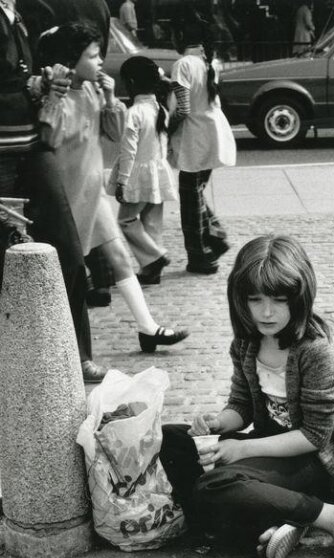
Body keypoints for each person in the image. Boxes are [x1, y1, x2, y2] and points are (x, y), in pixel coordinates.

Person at [159, 234, 334, 558]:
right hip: (269, 449)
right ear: (241, 300)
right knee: (168, 439)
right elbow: (242, 406)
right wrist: (218, 423)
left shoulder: (316, 353)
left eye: (279, 300)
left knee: (211, 487)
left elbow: (314, 436)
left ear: (299, 298)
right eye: (255, 300)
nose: (266, 312)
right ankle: (278, 520)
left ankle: (333, 515)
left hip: (314, 462)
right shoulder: (246, 343)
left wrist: (241, 449)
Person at [37, 22, 189, 353]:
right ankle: (66, 350)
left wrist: (108, 98)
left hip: (93, 195)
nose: (100, 62)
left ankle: (148, 328)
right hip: (69, 197)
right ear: (71, 60)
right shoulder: (59, 96)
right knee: (69, 277)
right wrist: (52, 96)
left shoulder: (92, 91)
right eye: (93, 56)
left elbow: (115, 133)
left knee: (120, 256)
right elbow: (49, 138)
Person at [0, 0, 107, 382]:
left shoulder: (20, 15)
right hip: (6, 152)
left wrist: (41, 84)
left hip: (31, 147)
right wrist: (38, 84)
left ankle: (78, 355)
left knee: (68, 253)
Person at [169, 7, 235, 275]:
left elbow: (183, 109)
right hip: (212, 132)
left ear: (181, 36)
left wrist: (165, 127)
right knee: (195, 192)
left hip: (194, 138)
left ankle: (201, 254)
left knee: (190, 197)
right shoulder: (209, 62)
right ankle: (214, 239)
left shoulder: (183, 65)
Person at [110, 56, 177, 285]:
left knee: (126, 220)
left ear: (130, 82)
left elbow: (128, 153)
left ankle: (155, 258)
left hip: (138, 176)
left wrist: (122, 181)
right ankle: (152, 270)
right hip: (158, 173)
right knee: (152, 222)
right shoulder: (160, 109)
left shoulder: (134, 113)